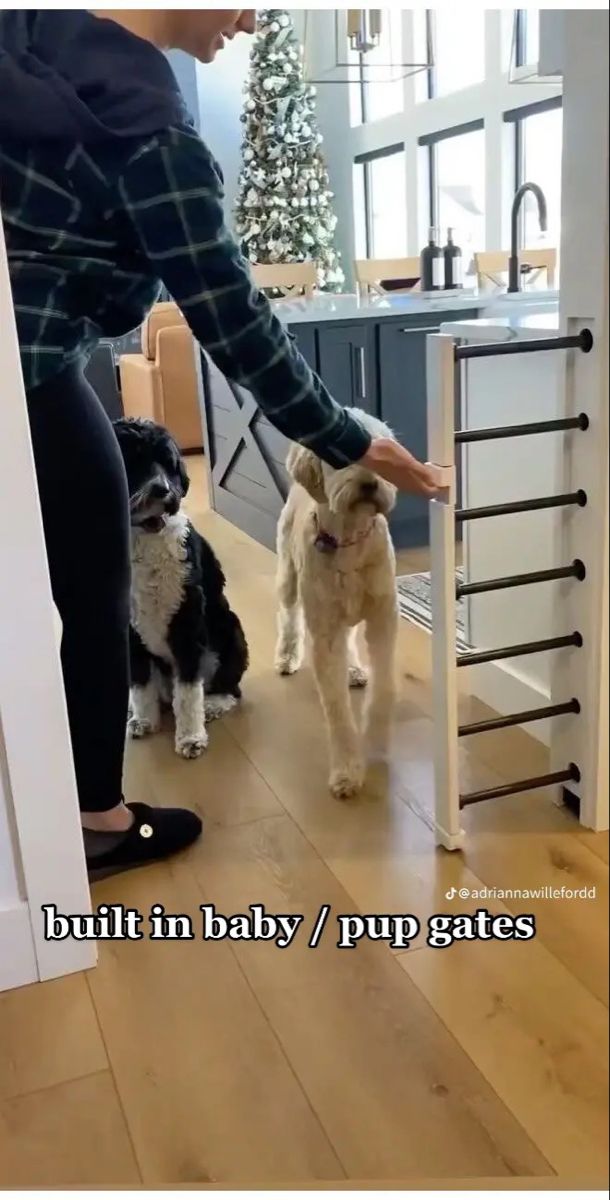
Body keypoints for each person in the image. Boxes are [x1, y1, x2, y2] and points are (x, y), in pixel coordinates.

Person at [0, 10, 439, 877]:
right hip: (35, 367)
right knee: (93, 587)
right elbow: (235, 319)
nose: (251, 15)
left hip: (32, 358)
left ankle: (67, 806)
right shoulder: (146, 123)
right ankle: (95, 818)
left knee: (81, 583)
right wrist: (358, 440)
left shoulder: (32, 42)